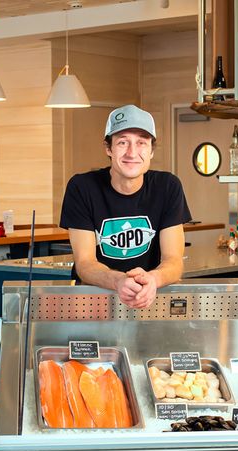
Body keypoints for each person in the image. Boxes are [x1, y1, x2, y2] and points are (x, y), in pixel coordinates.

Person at [59, 104, 191, 309]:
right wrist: (119, 281)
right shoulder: (82, 187)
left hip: (150, 302)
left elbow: (174, 260)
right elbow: (85, 263)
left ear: (151, 151)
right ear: (108, 148)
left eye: (141, 143)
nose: (132, 152)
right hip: (92, 305)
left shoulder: (167, 187)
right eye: (122, 142)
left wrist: (152, 280)